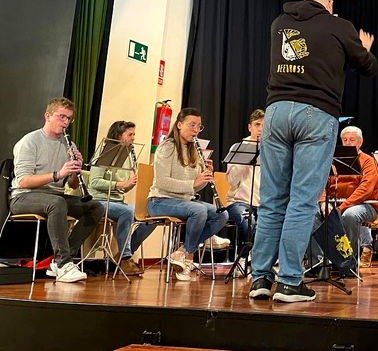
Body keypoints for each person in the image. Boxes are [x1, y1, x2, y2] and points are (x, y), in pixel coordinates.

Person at [249, 0, 377, 302]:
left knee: (272, 201)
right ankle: (290, 282)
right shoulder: (339, 25)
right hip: (316, 113)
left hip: (276, 112)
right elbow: (367, 66)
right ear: (329, 4)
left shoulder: (280, 22)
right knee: (303, 201)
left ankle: (260, 278)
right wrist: (363, 47)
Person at [10, 97, 103, 282]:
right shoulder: (30, 141)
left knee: (95, 207)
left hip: (55, 197)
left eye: (69, 118)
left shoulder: (69, 145)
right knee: (57, 202)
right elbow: (23, 181)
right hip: (24, 197)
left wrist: (75, 170)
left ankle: (59, 260)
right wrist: (58, 174)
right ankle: (63, 264)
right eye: (62, 117)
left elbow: (73, 185)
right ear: (48, 116)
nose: (66, 122)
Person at [147, 108, 229, 281]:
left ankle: (182, 252)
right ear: (179, 125)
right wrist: (193, 183)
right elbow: (162, 182)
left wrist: (204, 177)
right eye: (192, 125)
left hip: (183, 201)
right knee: (198, 210)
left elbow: (193, 189)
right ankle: (188, 257)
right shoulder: (167, 147)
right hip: (160, 200)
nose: (196, 130)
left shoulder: (193, 151)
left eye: (199, 126)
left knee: (221, 215)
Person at [87, 121, 156, 275]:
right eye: (130, 135)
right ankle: (125, 258)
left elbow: (123, 188)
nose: (133, 138)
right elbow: (95, 182)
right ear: (118, 136)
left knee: (151, 214)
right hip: (99, 200)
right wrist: (122, 183)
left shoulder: (128, 156)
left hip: (117, 200)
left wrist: (132, 183)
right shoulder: (104, 153)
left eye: (134, 135)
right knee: (127, 211)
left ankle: (122, 255)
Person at [310, 126, 378, 271]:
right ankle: (319, 263)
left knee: (350, 215)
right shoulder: (333, 160)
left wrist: (342, 208)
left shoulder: (368, 161)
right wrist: (323, 203)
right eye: (345, 140)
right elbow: (321, 183)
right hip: (334, 203)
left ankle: (348, 263)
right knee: (311, 213)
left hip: (365, 205)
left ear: (360, 142)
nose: (347, 143)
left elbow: (365, 189)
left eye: (352, 140)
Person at [225, 109, 264, 257]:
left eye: (264, 125)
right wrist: (245, 160)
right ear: (250, 127)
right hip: (239, 202)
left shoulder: (271, 150)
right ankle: (243, 258)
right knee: (249, 223)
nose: (260, 129)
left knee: (273, 224)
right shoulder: (239, 148)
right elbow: (231, 181)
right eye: (257, 124)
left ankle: (262, 260)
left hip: (263, 204)